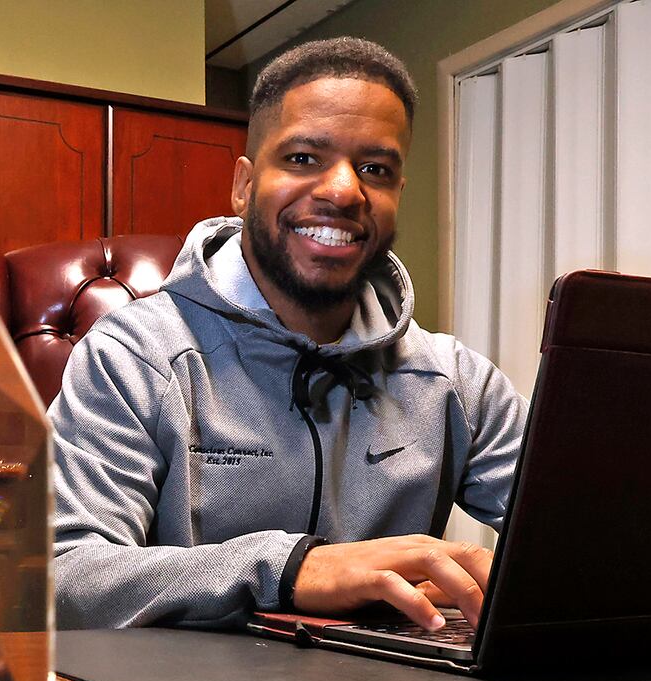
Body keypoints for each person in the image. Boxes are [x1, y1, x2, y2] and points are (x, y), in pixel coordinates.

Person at [49, 37, 526, 633]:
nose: (343, 191)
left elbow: (590, 537)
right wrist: (291, 569)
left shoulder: (455, 380)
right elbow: (63, 579)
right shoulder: (132, 357)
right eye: (304, 158)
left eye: (375, 169)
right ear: (244, 186)